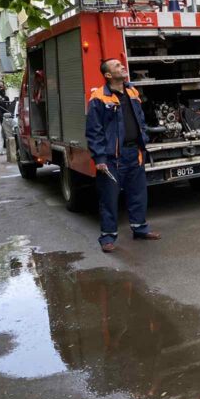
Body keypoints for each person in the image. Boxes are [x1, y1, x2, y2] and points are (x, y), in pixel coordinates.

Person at [85, 58, 160, 253]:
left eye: (121, 64)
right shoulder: (99, 98)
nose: (122, 66)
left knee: (138, 193)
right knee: (109, 198)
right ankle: (107, 237)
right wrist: (99, 158)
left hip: (134, 152)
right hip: (112, 158)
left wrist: (143, 139)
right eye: (117, 66)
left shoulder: (132, 92)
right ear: (108, 75)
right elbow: (94, 131)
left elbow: (140, 119)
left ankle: (140, 229)